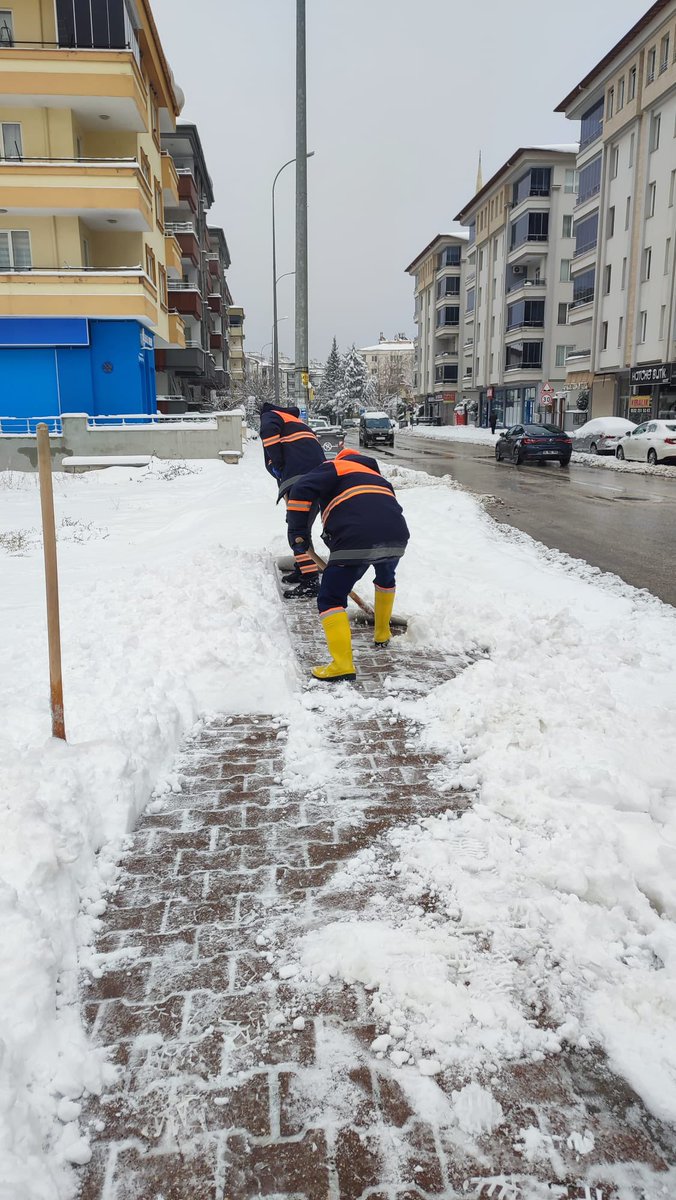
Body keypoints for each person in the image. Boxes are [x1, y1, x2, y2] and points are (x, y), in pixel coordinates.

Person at [286, 448, 409, 681]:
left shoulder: (336, 466)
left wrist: (297, 533)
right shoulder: (378, 478)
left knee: (330, 598)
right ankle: (382, 634)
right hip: (396, 538)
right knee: (385, 578)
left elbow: (301, 489)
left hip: (355, 537)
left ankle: (342, 664)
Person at [259, 402, 325, 598]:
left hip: (300, 483)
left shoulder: (271, 416)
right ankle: (303, 568)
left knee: (297, 533)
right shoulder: (296, 422)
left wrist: (278, 463)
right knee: (302, 528)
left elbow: (269, 434)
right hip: (317, 480)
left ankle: (310, 582)